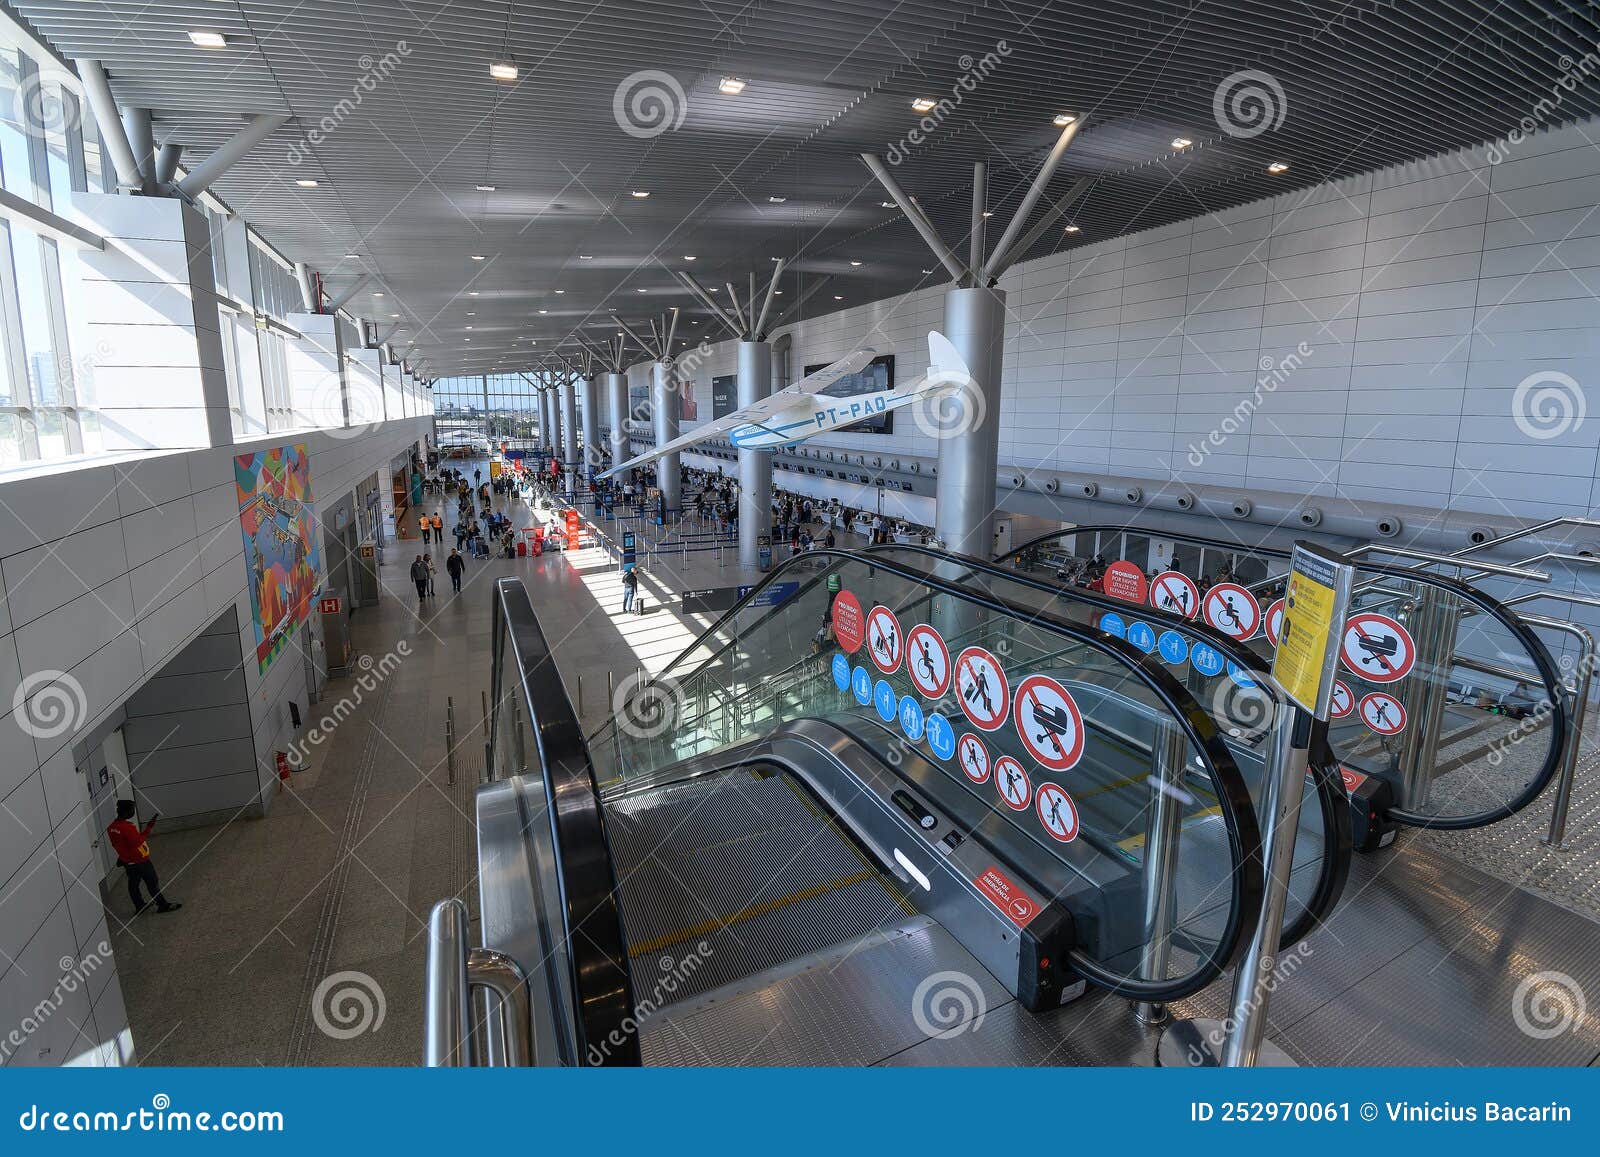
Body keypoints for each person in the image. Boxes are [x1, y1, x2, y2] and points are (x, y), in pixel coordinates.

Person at [107, 800, 181, 915]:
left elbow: (119, 844)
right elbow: (139, 842)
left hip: (128, 862)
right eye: (132, 810)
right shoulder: (127, 828)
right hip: (140, 862)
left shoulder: (111, 827)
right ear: (126, 812)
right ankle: (162, 905)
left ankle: (139, 906)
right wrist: (149, 827)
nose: (133, 812)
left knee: (133, 884)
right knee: (152, 882)